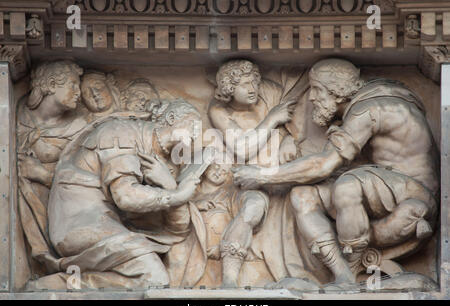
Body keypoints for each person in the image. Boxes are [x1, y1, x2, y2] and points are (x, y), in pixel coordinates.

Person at [233, 58, 439, 285]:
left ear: (337, 92)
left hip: (413, 197)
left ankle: (352, 266)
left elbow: (323, 165)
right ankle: (343, 274)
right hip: (387, 191)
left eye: (318, 91)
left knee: (347, 184)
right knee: (303, 195)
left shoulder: (368, 109)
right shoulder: (370, 102)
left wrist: (262, 175)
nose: (311, 98)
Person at [27, 99, 203, 289]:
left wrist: (169, 185)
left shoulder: (164, 164)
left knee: (158, 276)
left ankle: (68, 284)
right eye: (192, 126)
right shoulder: (121, 134)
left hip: (111, 226)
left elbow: (179, 230)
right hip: (78, 222)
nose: (195, 135)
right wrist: (178, 195)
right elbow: (126, 197)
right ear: (171, 118)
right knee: (154, 277)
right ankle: (57, 285)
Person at [208, 59, 303, 287]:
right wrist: (271, 119)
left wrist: (290, 139)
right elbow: (242, 148)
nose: (252, 89)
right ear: (229, 89)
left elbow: (297, 124)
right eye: (243, 85)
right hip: (248, 183)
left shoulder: (270, 92)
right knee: (252, 209)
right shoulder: (219, 110)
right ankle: (229, 282)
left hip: (286, 176)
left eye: (254, 82)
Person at [17, 60, 87, 274]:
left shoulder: (78, 127)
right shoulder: (15, 111)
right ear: (51, 85)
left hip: (61, 210)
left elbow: (84, 181)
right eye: (73, 85)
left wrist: (41, 173)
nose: (79, 92)